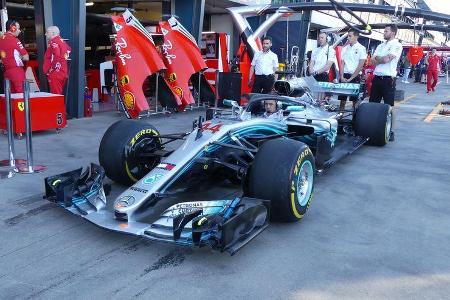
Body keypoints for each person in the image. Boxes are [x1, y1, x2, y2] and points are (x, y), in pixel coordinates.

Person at [370, 24, 403, 141]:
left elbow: (385, 60)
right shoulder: (380, 45)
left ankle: (392, 130)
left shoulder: (397, 45)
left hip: (388, 79)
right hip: (377, 77)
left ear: (393, 33)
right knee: (373, 104)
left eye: (386, 31)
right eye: (384, 31)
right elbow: (371, 61)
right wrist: (381, 59)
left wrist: (379, 58)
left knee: (390, 105)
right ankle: (371, 128)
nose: (384, 33)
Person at [338, 29, 367, 110]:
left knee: (354, 101)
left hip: (355, 76)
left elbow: (360, 65)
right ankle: (340, 117)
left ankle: (354, 120)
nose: (348, 38)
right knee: (342, 100)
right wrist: (341, 76)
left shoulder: (362, 48)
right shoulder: (345, 48)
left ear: (356, 37)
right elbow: (342, 63)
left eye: (350, 36)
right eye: (348, 36)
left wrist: (351, 78)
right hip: (345, 75)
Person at [0, 19, 29, 93]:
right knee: (21, 96)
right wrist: (21, 56)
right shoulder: (14, 40)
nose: (19, 31)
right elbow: (26, 57)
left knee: (11, 97)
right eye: (18, 28)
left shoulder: (1, 39)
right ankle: (21, 105)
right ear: (12, 28)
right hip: (16, 71)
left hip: (6, 72)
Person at [43, 26, 71, 95]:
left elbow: (57, 54)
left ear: (53, 33)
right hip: (62, 71)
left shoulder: (53, 41)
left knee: (56, 96)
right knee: (58, 94)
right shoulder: (62, 41)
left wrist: (52, 68)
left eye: (47, 32)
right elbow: (69, 50)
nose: (45, 34)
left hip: (55, 73)